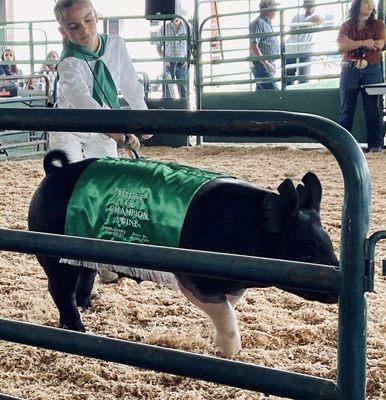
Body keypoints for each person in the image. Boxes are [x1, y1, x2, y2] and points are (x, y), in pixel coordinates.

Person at [52, 0, 151, 283]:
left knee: (106, 190)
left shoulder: (116, 45)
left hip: (104, 128)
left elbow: (131, 84)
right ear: (63, 31)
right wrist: (119, 134)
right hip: (70, 128)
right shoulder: (69, 63)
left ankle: (104, 262)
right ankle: (80, 273)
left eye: (89, 20)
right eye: (73, 26)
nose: (84, 30)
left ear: (98, 16)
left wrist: (143, 120)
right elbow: (84, 103)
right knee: (72, 194)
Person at [337, 0, 385, 153]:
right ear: (357, 5)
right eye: (366, 2)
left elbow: (380, 44)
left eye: (371, 3)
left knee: (372, 108)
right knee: (347, 108)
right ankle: (344, 146)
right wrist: (365, 42)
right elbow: (341, 47)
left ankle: (374, 145)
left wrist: (353, 43)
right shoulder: (346, 25)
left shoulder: (378, 25)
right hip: (350, 69)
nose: (370, 5)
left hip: (371, 68)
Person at [285, 0, 323, 85]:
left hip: (305, 53)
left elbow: (322, 21)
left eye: (311, 5)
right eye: (307, 5)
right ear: (304, 6)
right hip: (292, 51)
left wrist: (313, 20)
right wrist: (310, 21)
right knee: (288, 78)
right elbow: (293, 28)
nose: (309, 8)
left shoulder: (317, 18)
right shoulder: (297, 17)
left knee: (304, 80)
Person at [249, 0, 280, 90]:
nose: (276, 11)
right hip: (261, 65)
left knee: (262, 94)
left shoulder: (266, 23)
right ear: (269, 9)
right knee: (273, 92)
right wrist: (266, 63)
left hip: (264, 64)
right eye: (274, 8)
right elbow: (253, 45)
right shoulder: (258, 23)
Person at [156, 17, 189, 98]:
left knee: (184, 90)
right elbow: (158, 46)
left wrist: (187, 58)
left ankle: (184, 108)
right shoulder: (164, 28)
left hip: (182, 63)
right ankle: (168, 108)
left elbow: (191, 45)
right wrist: (164, 59)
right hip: (169, 63)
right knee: (167, 91)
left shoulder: (188, 27)